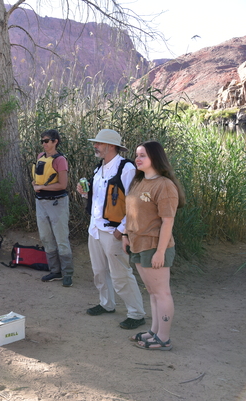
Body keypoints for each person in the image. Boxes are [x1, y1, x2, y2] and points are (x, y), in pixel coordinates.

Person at [77, 129, 146, 330]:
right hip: (96, 229)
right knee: (99, 272)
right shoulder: (99, 169)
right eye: (95, 143)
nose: (95, 146)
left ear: (111, 146)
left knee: (121, 274)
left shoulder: (127, 169)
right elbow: (100, 199)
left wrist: (123, 230)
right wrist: (84, 193)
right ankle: (106, 304)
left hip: (113, 231)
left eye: (99, 143)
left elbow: (135, 204)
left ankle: (136, 313)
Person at [123, 141, 185, 350]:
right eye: (137, 155)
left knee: (162, 292)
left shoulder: (164, 185)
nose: (137, 159)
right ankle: (154, 331)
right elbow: (132, 212)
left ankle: (164, 339)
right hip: (137, 244)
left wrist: (160, 252)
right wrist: (125, 235)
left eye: (143, 155)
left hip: (154, 246)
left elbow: (168, 220)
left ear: (155, 158)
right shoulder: (139, 181)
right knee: (152, 291)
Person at [33, 129, 74, 287]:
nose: (44, 144)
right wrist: (36, 185)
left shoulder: (60, 160)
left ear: (55, 141)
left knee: (61, 239)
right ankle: (55, 271)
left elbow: (62, 185)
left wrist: (42, 187)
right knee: (46, 237)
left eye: (47, 140)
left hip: (57, 203)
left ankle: (68, 273)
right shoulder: (40, 157)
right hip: (41, 202)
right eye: (42, 140)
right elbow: (38, 179)